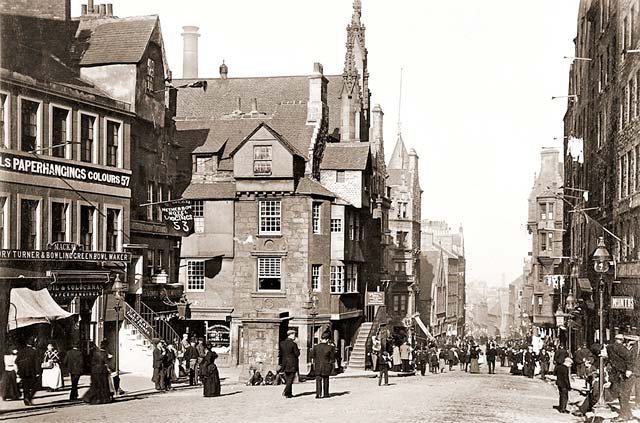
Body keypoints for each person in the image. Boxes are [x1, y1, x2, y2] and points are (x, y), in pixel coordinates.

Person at [607, 333, 634, 421]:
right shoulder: (620, 347)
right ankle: (627, 414)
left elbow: (628, 358)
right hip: (624, 373)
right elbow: (629, 358)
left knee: (622, 395)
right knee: (624, 395)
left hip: (623, 374)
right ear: (622, 340)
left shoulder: (612, 347)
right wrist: (629, 369)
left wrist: (628, 370)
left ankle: (624, 415)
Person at [311, 332, 335, 399]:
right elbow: (332, 358)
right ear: (327, 340)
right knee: (326, 380)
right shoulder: (330, 347)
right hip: (326, 365)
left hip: (318, 365)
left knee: (318, 380)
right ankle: (326, 393)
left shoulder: (316, 347)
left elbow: (312, 356)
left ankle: (318, 394)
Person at [16, 339, 39, 406]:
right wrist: (37, 371)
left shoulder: (21, 351)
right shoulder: (34, 351)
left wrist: (20, 368)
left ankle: (26, 398)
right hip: (31, 371)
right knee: (34, 385)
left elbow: (16, 361)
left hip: (23, 372)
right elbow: (36, 362)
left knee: (25, 386)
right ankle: (29, 398)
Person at [279, 329, 300, 398]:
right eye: (294, 335)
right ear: (291, 335)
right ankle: (286, 391)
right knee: (291, 378)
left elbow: (281, 353)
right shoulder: (293, 344)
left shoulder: (282, 343)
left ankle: (289, 393)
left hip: (284, 362)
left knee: (288, 378)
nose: (295, 336)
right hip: (292, 363)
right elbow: (297, 354)